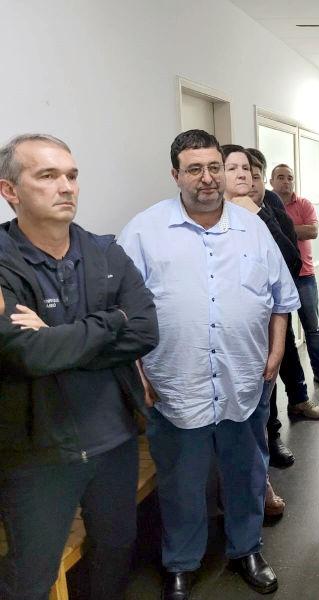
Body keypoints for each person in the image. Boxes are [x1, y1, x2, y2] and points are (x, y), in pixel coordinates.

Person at [118, 130, 299, 598]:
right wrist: (138, 372)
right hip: (175, 383)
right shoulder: (143, 232)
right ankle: (181, 563)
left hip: (245, 377)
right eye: (194, 169)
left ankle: (247, 549)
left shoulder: (253, 228)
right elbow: (121, 313)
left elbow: (282, 298)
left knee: (247, 472)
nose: (207, 178)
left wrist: (277, 351)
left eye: (214, 167)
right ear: (175, 174)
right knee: (181, 482)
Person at [0, 134, 159, 600]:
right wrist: (112, 321)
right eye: (47, 176)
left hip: (114, 438)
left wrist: (56, 336)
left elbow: (146, 331)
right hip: (36, 453)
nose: (66, 186)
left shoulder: (105, 252)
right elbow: (24, 353)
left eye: (71, 175)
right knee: (31, 574)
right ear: (10, 190)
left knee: (116, 547)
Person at [222, 144, 296, 516]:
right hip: (217, 343)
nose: (242, 175)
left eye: (247, 169)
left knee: (257, 414)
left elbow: (290, 263)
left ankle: (259, 485)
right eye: (231, 167)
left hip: (260, 338)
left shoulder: (267, 210)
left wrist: (260, 216)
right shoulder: (204, 220)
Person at [270, 163, 319, 394]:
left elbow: (313, 231)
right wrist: (294, 228)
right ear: (271, 181)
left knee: (312, 328)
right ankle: (285, 384)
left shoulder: (304, 204)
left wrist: (279, 227)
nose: (286, 181)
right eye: (280, 177)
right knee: (282, 334)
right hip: (277, 279)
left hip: (304, 276)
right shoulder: (266, 204)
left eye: (290, 177)